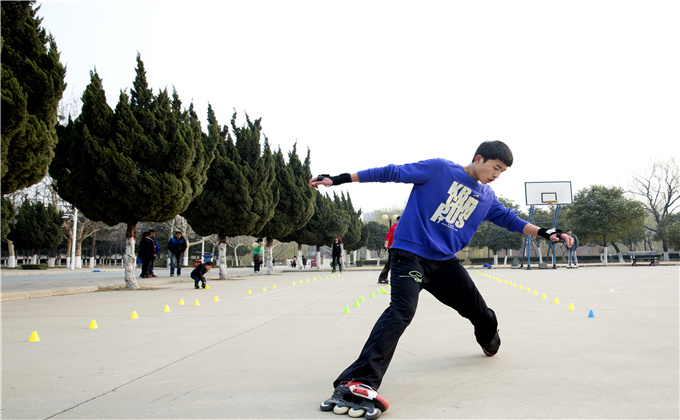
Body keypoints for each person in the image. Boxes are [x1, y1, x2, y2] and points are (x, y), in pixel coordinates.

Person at [310, 141, 573, 416]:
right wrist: (339, 179)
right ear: (479, 159)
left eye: (502, 171)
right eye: (495, 167)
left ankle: (489, 342)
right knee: (401, 311)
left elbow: (510, 220)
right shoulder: (439, 169)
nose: (497, 175)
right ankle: (358, 380)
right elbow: (391, 172)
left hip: (445, 263)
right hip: (409, 256)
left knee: (483, 315)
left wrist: (545, 232)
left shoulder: (487, 196)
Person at [378, 216, 399, 284]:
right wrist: (385, 247)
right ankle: (382, 277)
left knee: (394, 262)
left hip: (397, 248)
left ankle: (383, 277)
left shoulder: (400, 228)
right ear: (397, 221)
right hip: (392, 248)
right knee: (390, 263)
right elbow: (387, 238)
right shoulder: (393, 228)